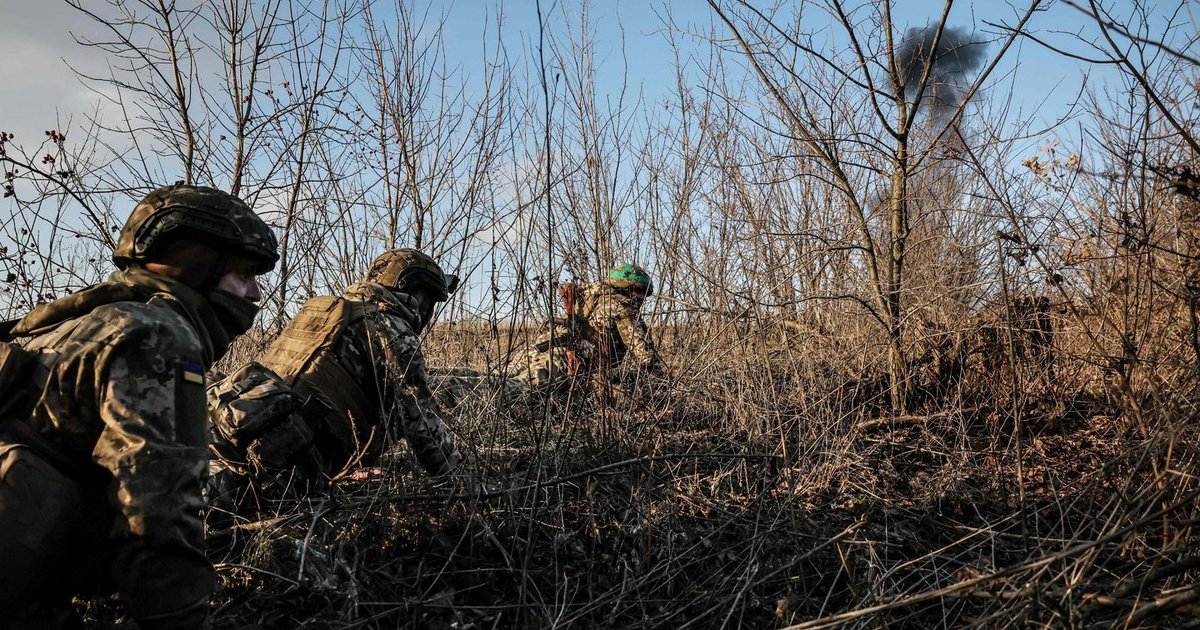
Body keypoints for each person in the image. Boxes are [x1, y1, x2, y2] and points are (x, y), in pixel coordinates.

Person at [0, 183, 278, 629]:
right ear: (196, 267)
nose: (254, 294)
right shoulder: (158, 335)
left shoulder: (66, 323)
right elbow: (157, 519)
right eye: (244, 274)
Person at [208, 248, 463, 492]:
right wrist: (463, 484)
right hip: (286, 463)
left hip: (233, 433)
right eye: (428, 300)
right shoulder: (393, 330)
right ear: (414, 292)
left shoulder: (325, 310)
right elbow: (421, 423)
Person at [512, 263, 663, 395]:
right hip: (566, 361)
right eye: (640, 291)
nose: (642, 298)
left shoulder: (588, 296)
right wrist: (661, 382)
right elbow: (646, 356)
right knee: (513, 389)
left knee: (500, 373)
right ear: (626, 287)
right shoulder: (623, 307)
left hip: (542, 347)